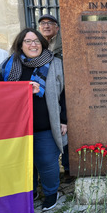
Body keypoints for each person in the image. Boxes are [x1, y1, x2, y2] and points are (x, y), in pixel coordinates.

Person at [0, 28, 66, 211]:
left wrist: (64, 120)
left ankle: (51, 193)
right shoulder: (10, 63)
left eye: (36, 41)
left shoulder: (55, 63)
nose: (33, 44)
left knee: (47, 162)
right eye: (28, 41)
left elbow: (66, 94)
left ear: (42, 43)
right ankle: (30, 191)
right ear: (20, 45)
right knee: (23, 162)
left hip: (45, 125)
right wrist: (21, 88)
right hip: (16, 127)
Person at [38, 14, 73, 183]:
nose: (46, 26)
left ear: (57, 28)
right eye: (43, 24)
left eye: (50, 23)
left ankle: (67, 167)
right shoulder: (36, 45)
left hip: (64, 87)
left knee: (65, 127)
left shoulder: (64, 44)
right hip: (43, 91)